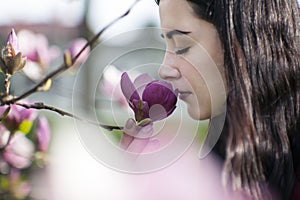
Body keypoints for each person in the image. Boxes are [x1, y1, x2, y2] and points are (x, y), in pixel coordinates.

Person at [121, 0, 300, 199]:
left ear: (242, 36)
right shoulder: (225, 155)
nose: (164, 69)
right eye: (166, 44)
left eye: (182, 45)